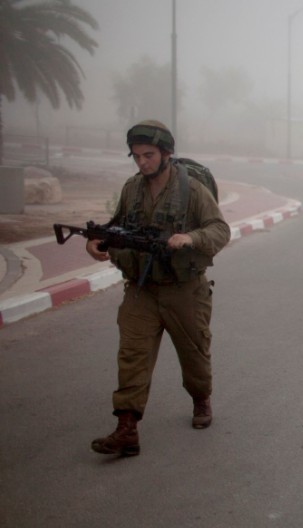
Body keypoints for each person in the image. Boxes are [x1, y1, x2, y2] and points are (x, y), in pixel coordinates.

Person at [86, 120, 230, 457]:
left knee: (194, 355)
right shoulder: (132, 188)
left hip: (184, 290)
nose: (141, 163)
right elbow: (117, 227)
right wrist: (97, 241)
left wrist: (190, 238)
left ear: (166, 153)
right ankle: (126, 428)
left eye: (148, 155)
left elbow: (220, 230)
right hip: (142, 289)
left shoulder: (192, 190)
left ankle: (200, 398)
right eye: (135, 156)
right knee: (132, 356)